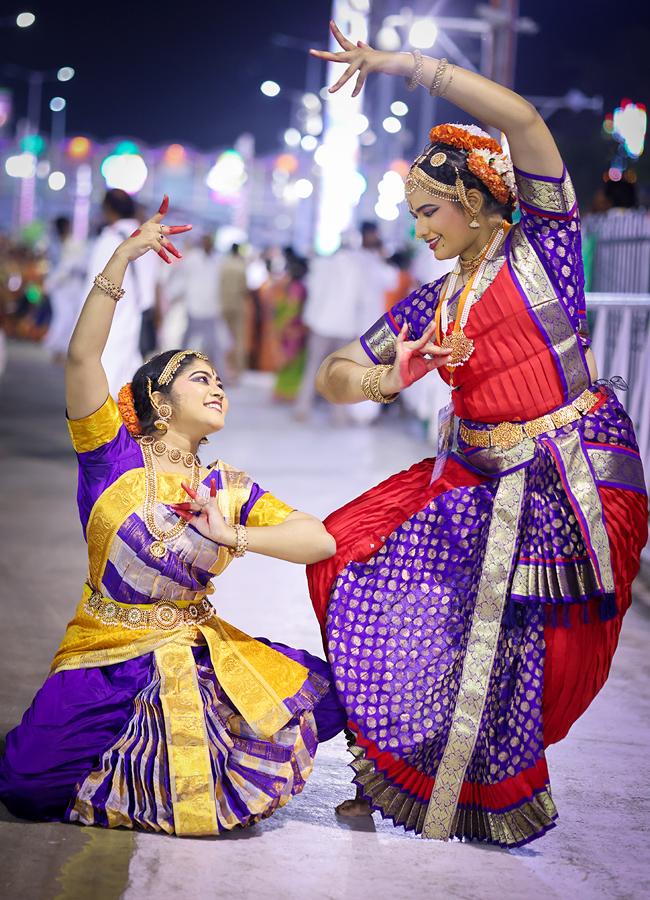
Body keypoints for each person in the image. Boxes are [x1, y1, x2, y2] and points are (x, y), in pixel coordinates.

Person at [306, 24, 648, 848]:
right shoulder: (435, 301)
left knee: (519, 646)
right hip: (474, 473)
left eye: (429, 212)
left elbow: (525, 122)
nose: (422, 229)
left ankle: (465, 788)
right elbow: (337, 370)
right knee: (349, 555)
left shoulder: (546, 249)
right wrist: (393, 374)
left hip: (568, 473)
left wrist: (403, 65)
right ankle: (399, 766)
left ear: (473, 200)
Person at [0, 196, 346, 836]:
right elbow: (82, 361)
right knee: (26, 786)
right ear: (159, 399)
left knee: (332, 692)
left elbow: (317, 539)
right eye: (200, 378)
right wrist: (125, 257)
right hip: (102, 650)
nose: (217, 388)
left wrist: (234, 533)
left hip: (187, 644)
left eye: (218, 380)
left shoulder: (226, 486)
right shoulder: (113, 460)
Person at [83, 189, 160, 398]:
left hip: (108, 317)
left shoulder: (109, 239)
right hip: (138, 316)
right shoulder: (148, 239)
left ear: (107, 209)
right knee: (127, 385)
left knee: (101, 385)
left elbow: (94, 288)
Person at [180, 233, 228, 380]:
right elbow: (182, 279)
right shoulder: (192, 258)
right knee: (186, 344)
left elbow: (217, 285)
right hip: (194, 306)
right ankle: (177, 370)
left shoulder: (217, 259)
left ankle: (221, 375)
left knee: (215, 344)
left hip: (210, 309)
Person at [43, 217, 86, 363]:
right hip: (58, 288)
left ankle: (62, 351)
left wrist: (51, 281)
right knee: (63, 317)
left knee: (70, 318)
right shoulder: (52, 243)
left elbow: (72, 266)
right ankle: (54, 348)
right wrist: (50, 283)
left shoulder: (74, 243)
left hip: (72, 287)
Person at [274, 248, 309, 402]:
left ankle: (285, 392)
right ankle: (287, 393)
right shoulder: (299, 287)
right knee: (293, 363)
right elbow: (292, 309)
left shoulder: (295, 287)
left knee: (290, 362)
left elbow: (291, 309)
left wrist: (280, 327)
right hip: (295, 331)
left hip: (292, 331)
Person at [220, 243, 249, 377]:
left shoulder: (223, 265)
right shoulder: (241, 267)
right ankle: (238, 370)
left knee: (220, 336)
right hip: (237, 304)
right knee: (238, 338)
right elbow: (245, 289)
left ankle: (218, 368)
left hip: (223, 303)